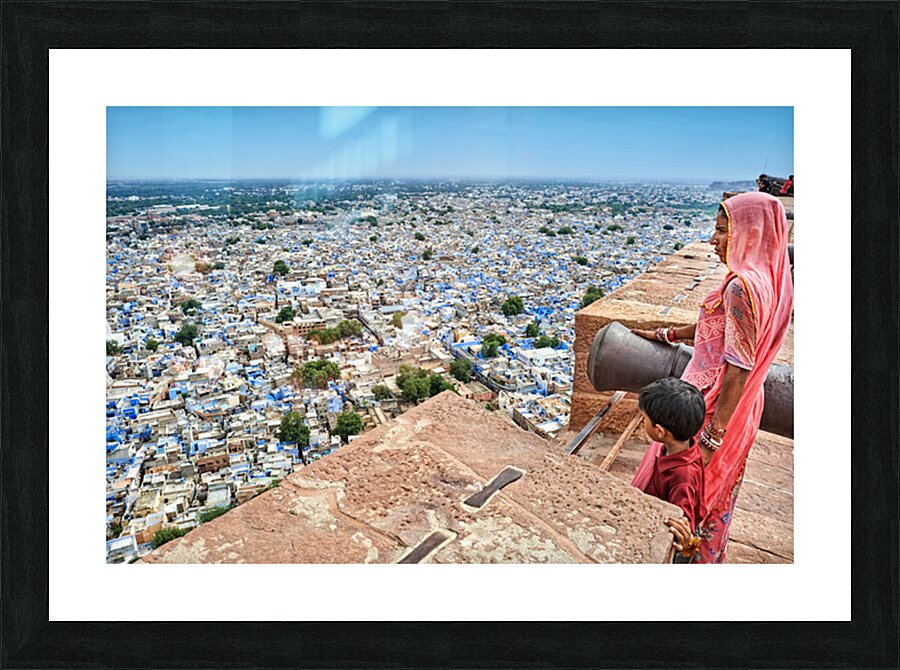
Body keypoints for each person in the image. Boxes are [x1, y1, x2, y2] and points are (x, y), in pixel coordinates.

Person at [631, 192, 793, 563]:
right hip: (744, 408)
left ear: (749, 234)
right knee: (717, 497)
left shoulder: (740, 288)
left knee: (685, 493)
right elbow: (720, 329)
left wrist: (708, 440)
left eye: (722, 231)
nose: (713, 240)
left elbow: (738, 367)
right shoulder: (769, 281)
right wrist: (667, 334)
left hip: (713, 406)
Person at [636, 377, 706, 564]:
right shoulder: (685, 445)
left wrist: (684, 547)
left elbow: (683, 526)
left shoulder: (682, 476)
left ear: (660, 431)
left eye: (644, 419)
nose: (643, 422)